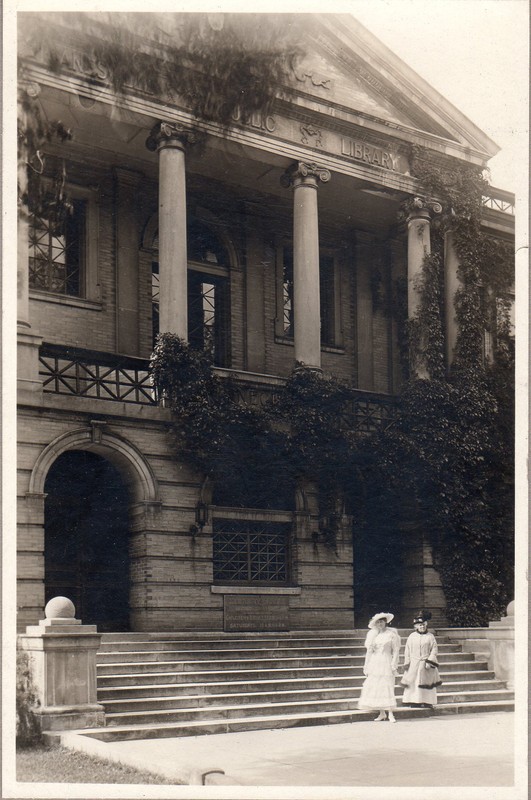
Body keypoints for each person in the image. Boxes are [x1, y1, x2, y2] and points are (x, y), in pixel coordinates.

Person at [358, 612, 401, 723]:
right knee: (377, 687)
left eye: (382, 622)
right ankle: (382, 713)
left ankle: (390, 713)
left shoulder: (391, 634)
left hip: (386, 661)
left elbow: (396, 650)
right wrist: (366, 665)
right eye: (378, 622)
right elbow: (369, 652)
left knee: (387, 686)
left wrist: (393, 663)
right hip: (375, 662)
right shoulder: (373, 635)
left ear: (386, 622)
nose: (380, 624)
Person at [401, 610, 442, 708]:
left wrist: (430, 660)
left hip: (425, 663)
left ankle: (427, 701)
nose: (422, 627)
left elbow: (434, 650)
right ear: (416, 626)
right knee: (414, 682)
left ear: (426, 625)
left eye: (423, 625)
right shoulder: (412, 636)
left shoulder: (430, 637)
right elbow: (407, 650)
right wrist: (407, 662)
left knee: (426, 683)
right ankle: (415, 701)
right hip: (414, 663)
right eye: (420, 625)